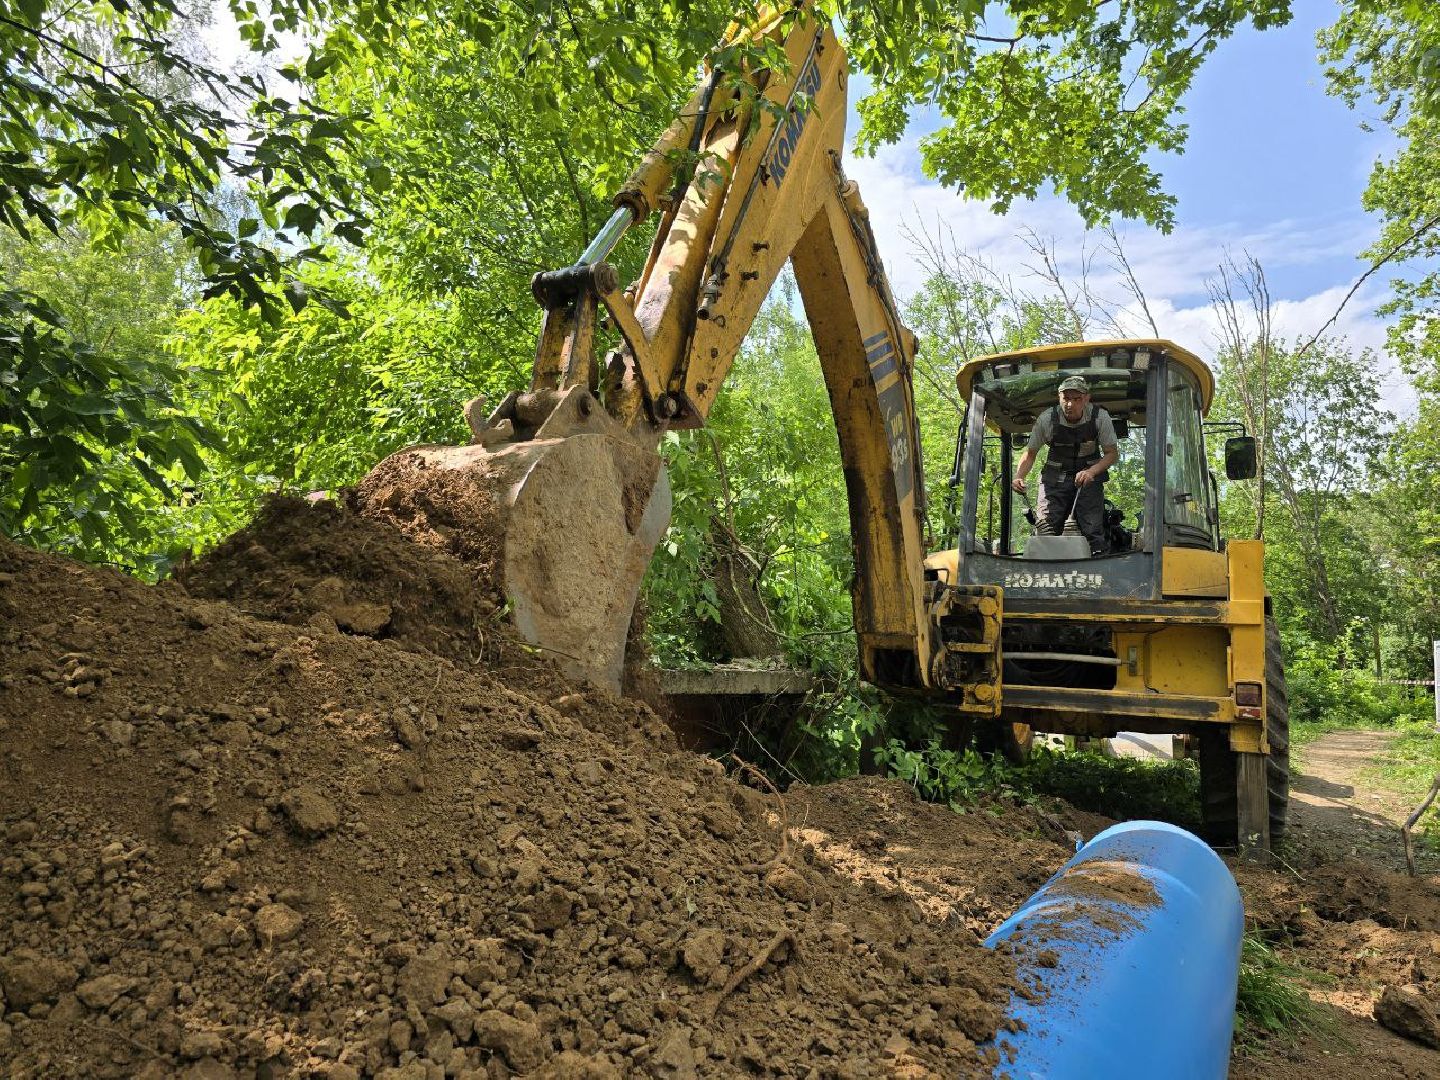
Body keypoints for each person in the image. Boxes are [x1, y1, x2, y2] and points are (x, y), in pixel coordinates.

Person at [1010, 375, 1120, 556]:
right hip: (1053, 481)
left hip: (1088, 480)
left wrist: (1092, 471)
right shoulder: (1046, 420)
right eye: (1066, 398)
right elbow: (1030, 454)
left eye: (1076, 399)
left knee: (1093, 530)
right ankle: (1042, 574)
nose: (1070, 404)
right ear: (1059, 398)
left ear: (1086, 398)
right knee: (1045, 529)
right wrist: (1019, 476)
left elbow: (1112, 454)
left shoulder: (1100, 417)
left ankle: (1098, 570)